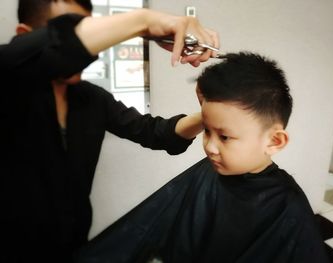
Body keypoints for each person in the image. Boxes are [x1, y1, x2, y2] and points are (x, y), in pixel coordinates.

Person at [0, 0, 220, 262]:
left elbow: (156, 132)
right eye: (74, 31)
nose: (85, 53)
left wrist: (209, 115)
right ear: (25, 36)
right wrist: (144, 21)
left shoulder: (91, 99)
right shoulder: (6, 79)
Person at [75, 52, 329, 263]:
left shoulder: (288, 208)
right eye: (207, 131)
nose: (210, 147)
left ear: (275, 141)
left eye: (225, 137)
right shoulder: (208, 173)